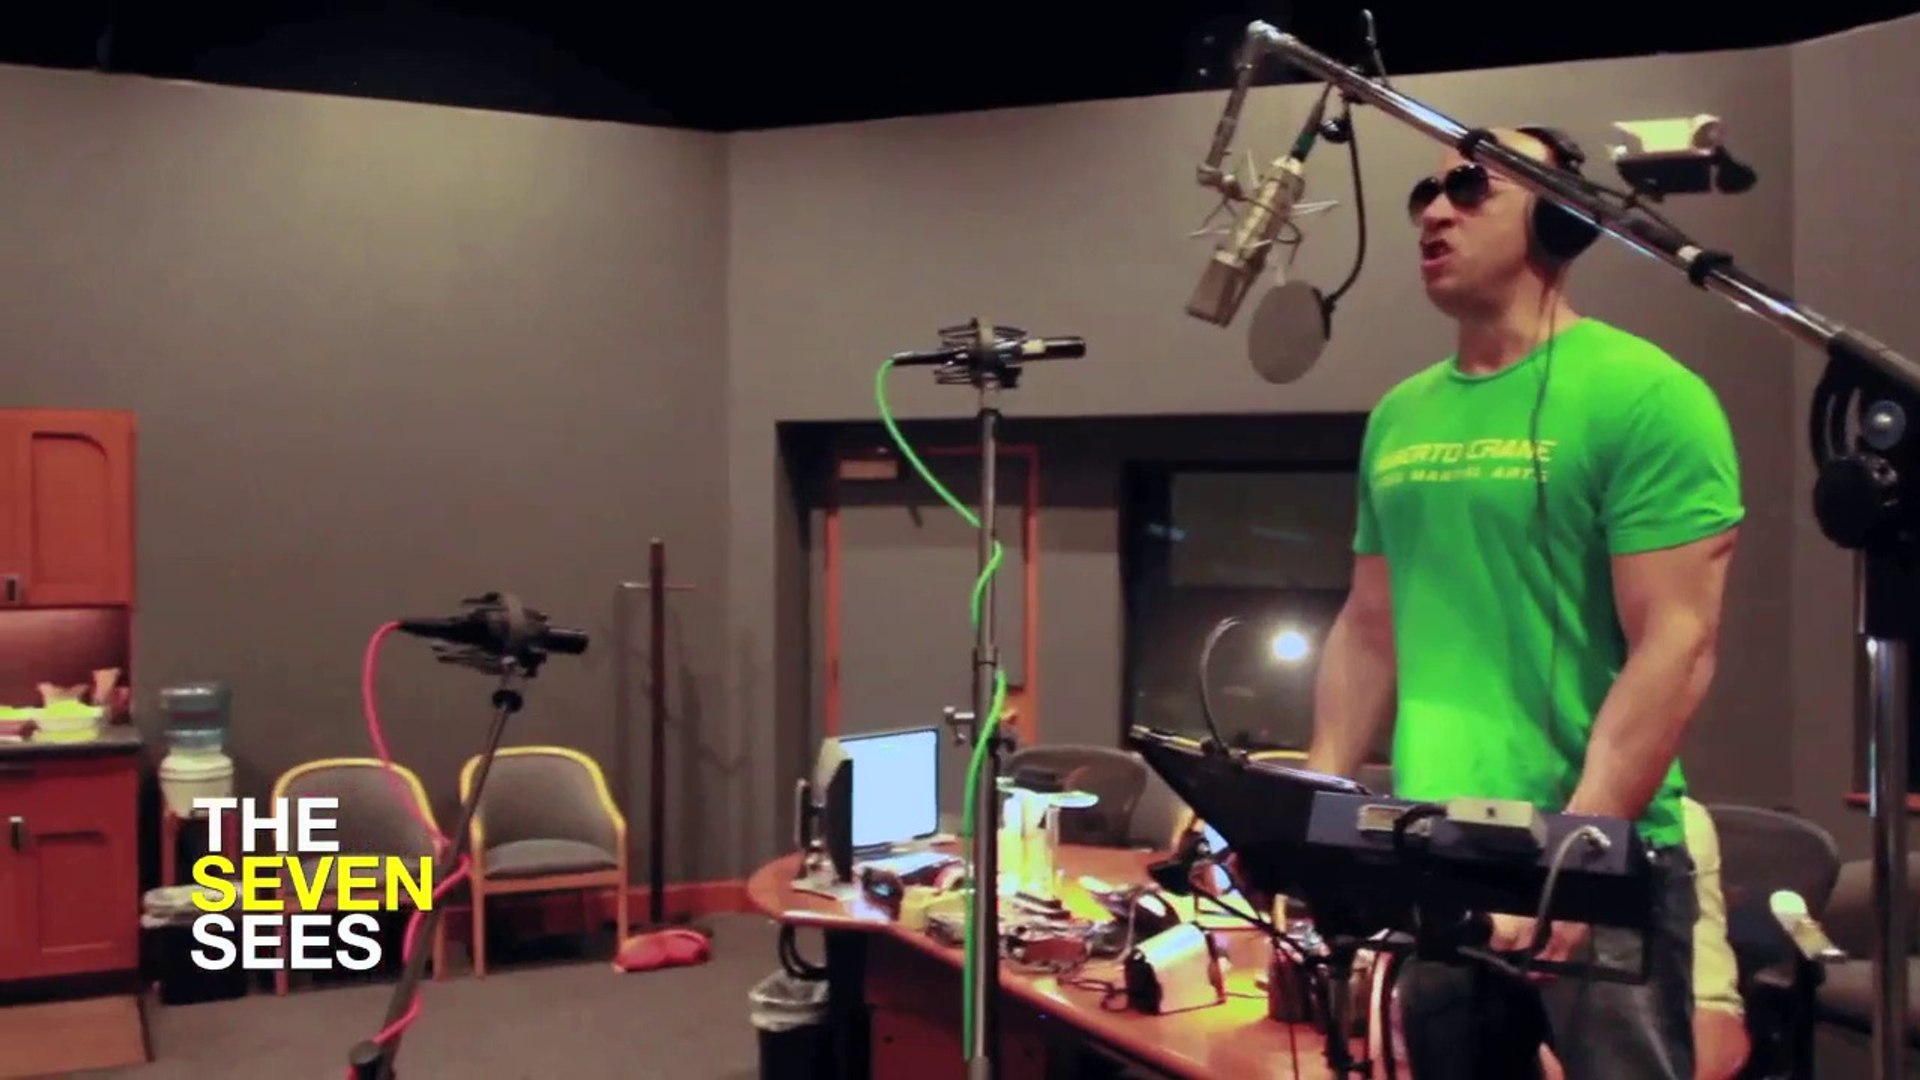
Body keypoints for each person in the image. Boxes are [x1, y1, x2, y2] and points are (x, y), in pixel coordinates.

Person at [1303, 125, 1745, 1079]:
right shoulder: (1400, 415)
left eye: (1470, 186)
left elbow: (1677, 642)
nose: (1434, 211)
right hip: (1439, 851)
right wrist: (1315, 817)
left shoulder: (1648, 396)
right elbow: (1368, 627)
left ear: (1561, 218)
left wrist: (1575, 854)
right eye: (1425, 192)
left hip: (1594, 860)